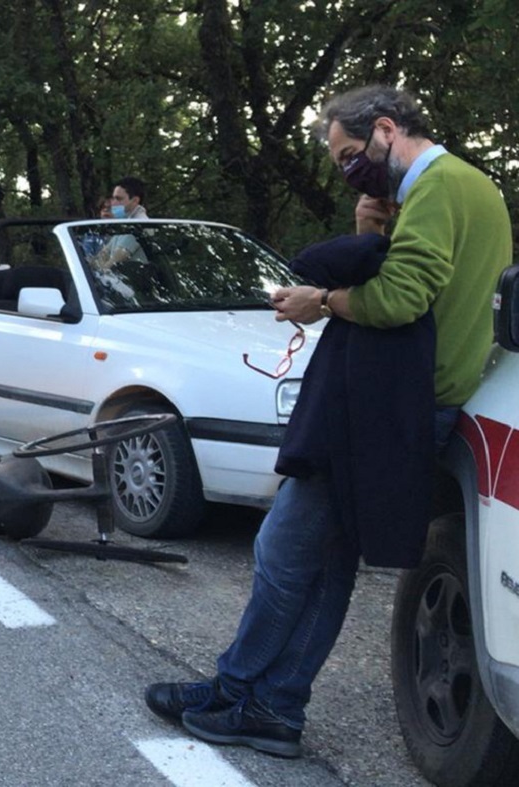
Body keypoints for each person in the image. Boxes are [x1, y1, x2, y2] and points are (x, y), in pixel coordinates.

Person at [144, 85, 513, 758]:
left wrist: (322, 300)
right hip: (406, 400)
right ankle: (269, 704)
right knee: (326, 561)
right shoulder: (470, 187)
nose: (348, 171)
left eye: (349, 156)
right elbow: (409, 278)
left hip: (389, 404)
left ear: (384, 129)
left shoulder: (438, 185)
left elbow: (401, 298)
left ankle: (243, 690)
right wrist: (371, 232)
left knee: (284, 551)